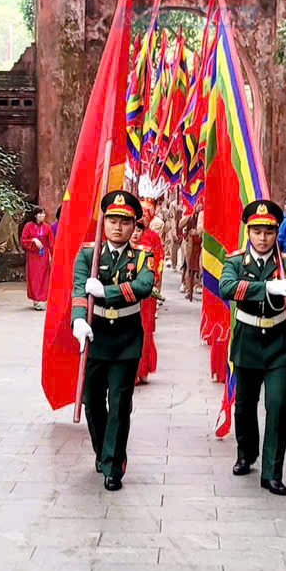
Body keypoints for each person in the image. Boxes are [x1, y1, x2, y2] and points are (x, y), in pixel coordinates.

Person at [218, 199, 286, 496]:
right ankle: (246, 452)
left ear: (275, 232)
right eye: (257, 231)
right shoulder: (236, 261)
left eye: (268, 231)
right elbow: (227, 287)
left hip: (278, 345)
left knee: (277, 406)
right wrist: (266, 288)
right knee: (244, 406)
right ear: (248, 231)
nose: (262, 237)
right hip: (247, 341)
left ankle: (272, 472)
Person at [71, 190, 156, 490]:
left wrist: (107, 292)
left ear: (134, 226)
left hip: (126, 338)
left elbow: (144, 286)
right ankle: (102, 451)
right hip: (95, 336)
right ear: (103, 222)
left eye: (124, 221)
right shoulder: (88, 254)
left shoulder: (143, 256)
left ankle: (114, 465)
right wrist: (79, 320)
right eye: (112, 220)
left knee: (119, 403)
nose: (117, 227)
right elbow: (80, 289)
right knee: (92, 402)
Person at [133, 210, 165, 385]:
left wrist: (154, 284)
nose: (136, 233)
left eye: (139, 230)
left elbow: (158, 263)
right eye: (134, 229)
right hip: (126, 299)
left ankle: (141, 369)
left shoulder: (149, 245)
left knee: (143, 331)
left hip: (145, 298)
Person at [21, 207, 53, 311]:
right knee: (34, 278)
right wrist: (33, 240)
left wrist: (52, 256)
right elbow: (23, 241)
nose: (42, 216)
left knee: (43, 278)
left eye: (43, 214)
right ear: (35, 215)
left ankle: (42, 300)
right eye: (40, 214)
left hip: (43, 255)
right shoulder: (28, 226)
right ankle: (36, 299)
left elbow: (52, 243)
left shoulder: (47, 227)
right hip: (33, 256)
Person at [184, 209, 203, 302]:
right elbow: (180, 224)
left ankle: (199, 284)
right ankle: (188, 288)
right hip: (191, 242)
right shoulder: (192, 213)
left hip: (202, 244)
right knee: (190, 265)